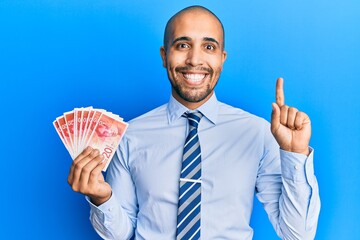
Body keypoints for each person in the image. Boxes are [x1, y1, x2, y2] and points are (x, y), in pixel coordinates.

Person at [67, 5, 320, 240]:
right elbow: (121, 234)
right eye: (183, 45)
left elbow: (297, 234)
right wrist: (101, 197)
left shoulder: (257, 133)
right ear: (165, 56)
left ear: (222, 58)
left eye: (208, 47)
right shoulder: (130, 136)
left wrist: (295, 154)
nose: (195, 60)